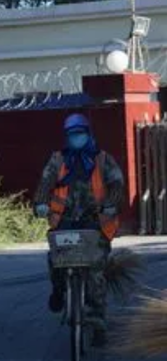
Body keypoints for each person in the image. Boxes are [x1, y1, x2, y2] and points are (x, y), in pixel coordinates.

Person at [33, 113, 124, 344]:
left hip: (96, 222)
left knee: (95, 271)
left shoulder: (103, 159)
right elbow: (45, 182)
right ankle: (59, 290)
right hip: (64, 221)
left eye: (80, 133)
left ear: (88, 133)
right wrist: (41, 203)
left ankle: (98, 322)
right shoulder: (58, 160)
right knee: (56, 260)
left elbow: (117, 184)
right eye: (72, 135)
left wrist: (112, 204)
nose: (76, 138)